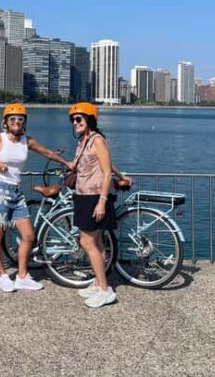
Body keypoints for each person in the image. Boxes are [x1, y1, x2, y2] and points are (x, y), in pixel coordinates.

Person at [0, 103, 73, 292]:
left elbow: (46, 152)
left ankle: (22, 276)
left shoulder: (27, 141)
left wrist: (65, 162)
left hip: (16, 191)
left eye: (20, 119)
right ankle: (2, 275)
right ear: (5, 122)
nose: (16, 122)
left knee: (29, 236)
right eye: (12, 119)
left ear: (24, 123)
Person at [67, 102, 129, 308]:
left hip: (95, 197)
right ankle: (97, 282)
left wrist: (102, 202)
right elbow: (109, 164)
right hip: (83, 195)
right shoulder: (83, 141)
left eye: (79, 119)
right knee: (98, 243)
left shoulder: (97, 140)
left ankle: (105, 289)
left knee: (87, 242)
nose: (75, 123)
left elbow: (105, 171)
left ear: (90, 120)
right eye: (73, 120)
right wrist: (122, 175)